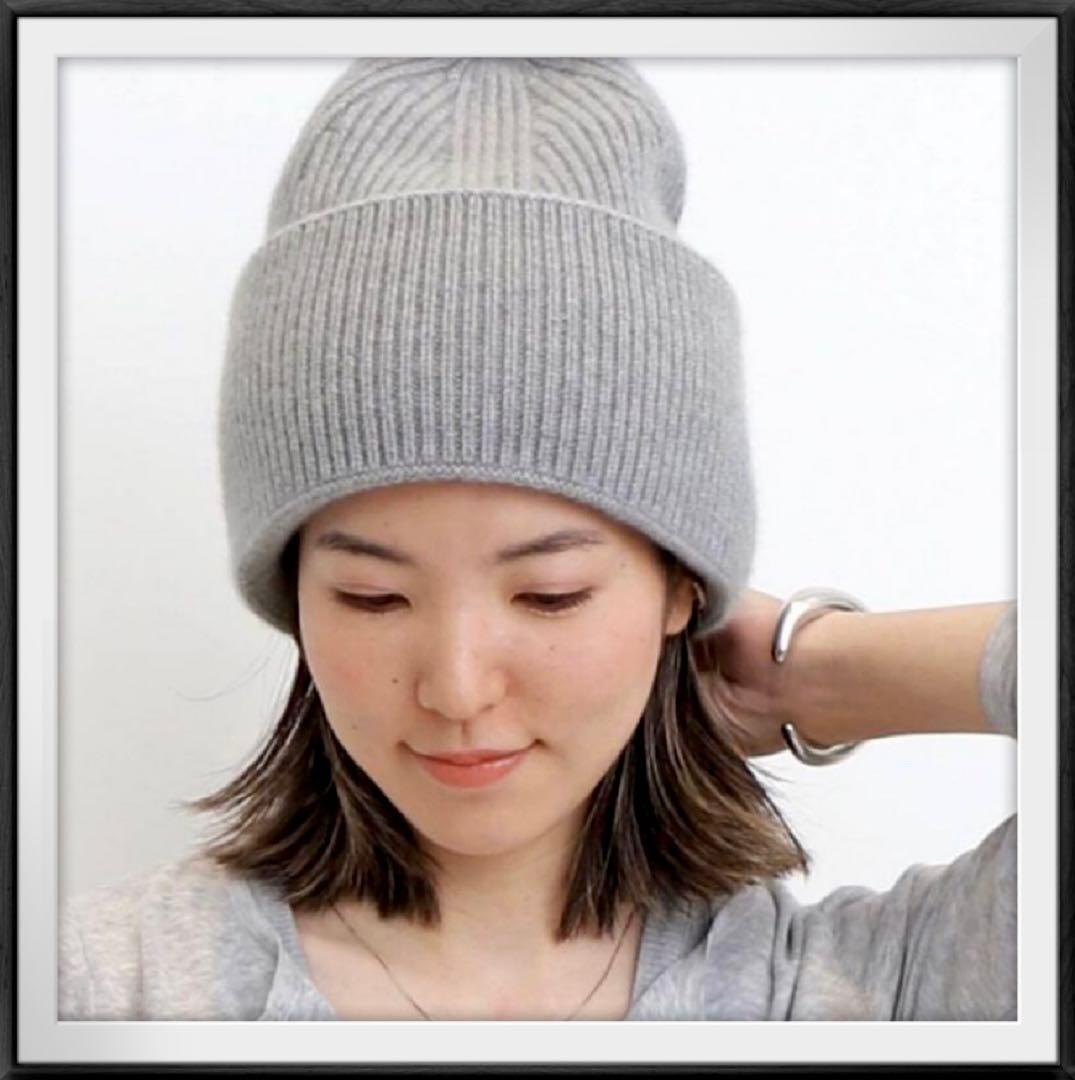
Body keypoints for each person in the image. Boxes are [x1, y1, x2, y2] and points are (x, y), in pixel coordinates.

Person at [58, 58, 1016, 1023]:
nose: (457, 689)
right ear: (293, 593)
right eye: (371, 597)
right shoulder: (101, 991)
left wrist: (811, 674)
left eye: (549, 594)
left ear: (680, 584)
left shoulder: (862, 994)